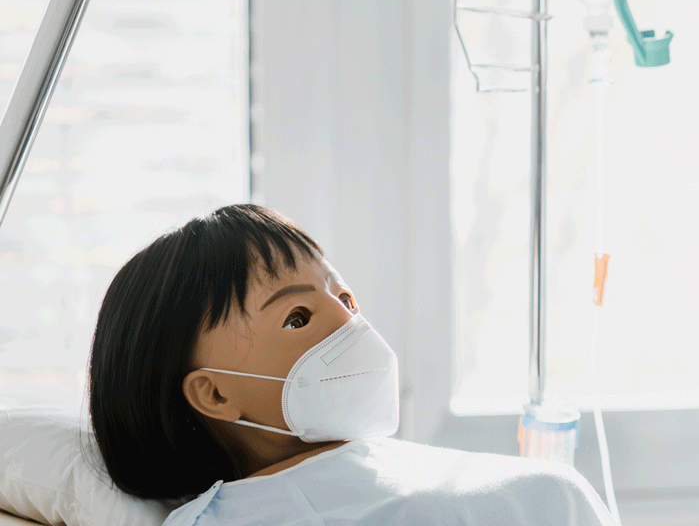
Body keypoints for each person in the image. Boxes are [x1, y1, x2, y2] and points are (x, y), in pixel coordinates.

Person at [87, 204, 615, 526]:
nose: (347, 324)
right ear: (216, 395)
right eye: (297, 316)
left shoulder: (524, 491)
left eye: (346, 299)